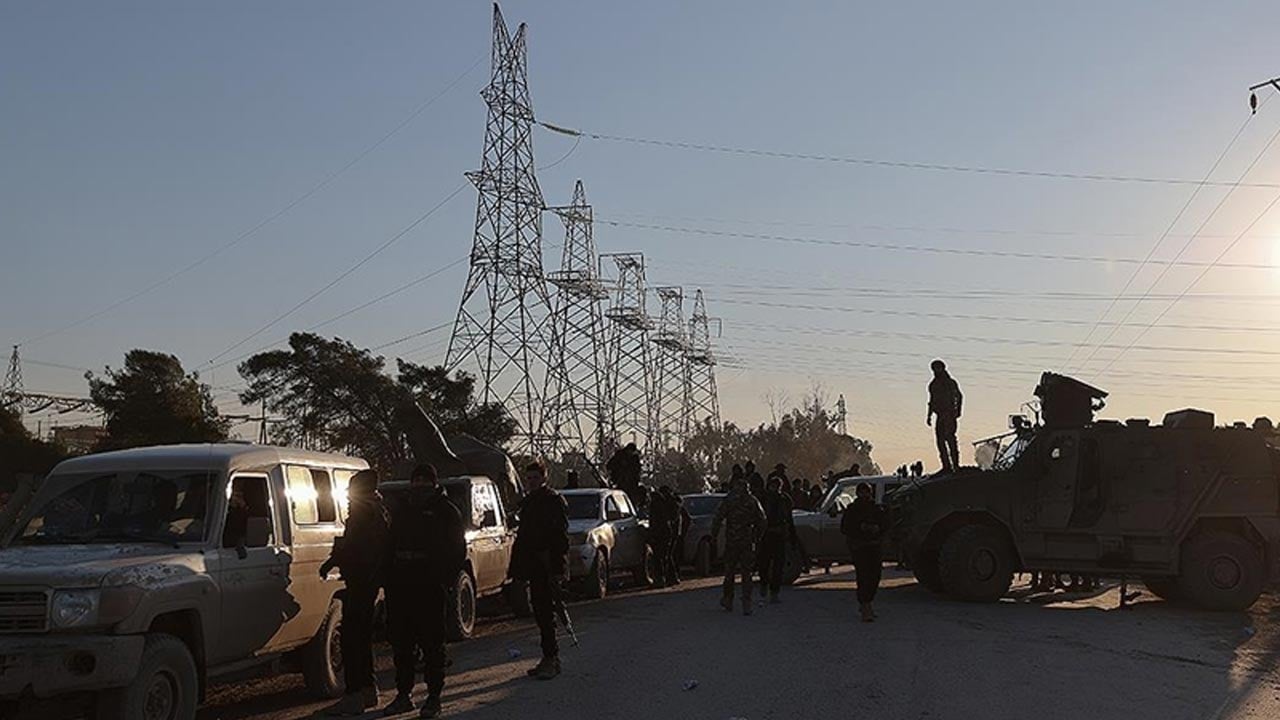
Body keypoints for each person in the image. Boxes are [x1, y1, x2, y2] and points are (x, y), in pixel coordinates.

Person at [382, 463, 466, 718]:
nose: (419, 485)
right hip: (401, 584)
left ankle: (433, 697)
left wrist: (444, 579)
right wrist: (388, 577)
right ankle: (403, 694)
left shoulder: (445, 510)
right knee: (402, 644)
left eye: (424, 480)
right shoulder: (403, 509)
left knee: (432, 644)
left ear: (433, 482)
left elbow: (457, 550)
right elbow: (389, 545)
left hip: (430, 585)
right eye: (416, 480)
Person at [319, 470, 390, 715]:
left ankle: (354, 695)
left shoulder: (363, 513)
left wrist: (334, 561)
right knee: (361, 639)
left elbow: (355, 548)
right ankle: (368, 690)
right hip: (366, 583)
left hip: (361, 583)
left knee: (352, 640)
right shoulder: (376, 511)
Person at [510, 461, 570, 680]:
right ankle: (548, 657)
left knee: (546, 613)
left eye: (535, 478)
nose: (532, 482)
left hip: (547, 564)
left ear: (544, 478)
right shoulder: (529, 502)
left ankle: (551, 658)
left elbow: (560, 536)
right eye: (529, 478)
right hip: (533, 564)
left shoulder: (552, 501)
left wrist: (557, 566)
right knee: (539, 611)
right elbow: (524, 537)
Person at [710, 475, 765, 615]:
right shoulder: (752, 501)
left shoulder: (729, 500)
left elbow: (718, 518)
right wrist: (757, 537)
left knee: (729, 572)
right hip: (747, 541)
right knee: (747, 574)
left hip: (732, 541)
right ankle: (747, 603)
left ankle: (728, 599)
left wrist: (714, 535)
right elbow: (762, 520)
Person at [841, 482, 887, 622]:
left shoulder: (876, 509)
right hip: (859, 547)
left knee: (875, 576)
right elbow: (845, 527)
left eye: (867, 492)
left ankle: (867, 602)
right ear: (858, 493)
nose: (865, 495)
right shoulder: (852, 510)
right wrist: (861, 527)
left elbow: (885, 525)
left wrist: (877, 528)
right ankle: (865, 605)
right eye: (862, 492)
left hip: (874, 546)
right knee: (863, 576)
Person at [758, 475, 797, 604]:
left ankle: (774, 592)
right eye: (773, 486)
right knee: (763, 565)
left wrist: (792, 537)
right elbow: (758, 518)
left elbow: (789, 519)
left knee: (778, 567)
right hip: (766, 535)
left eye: (777, 486)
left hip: (779, 536)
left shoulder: (785, 500)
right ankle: (764, 584)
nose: (775, 488)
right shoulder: (763, 499)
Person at [927, 359, 964, 473]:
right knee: (940, 441)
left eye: (938, 368)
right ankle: (946, 466)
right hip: (940, 415)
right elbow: (931, 401)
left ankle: (955, 466)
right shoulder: (933, 385)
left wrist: (957, 410)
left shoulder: (950, 383)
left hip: (949, 414)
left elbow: (959, 396)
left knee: (950, 439)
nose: (936, 370)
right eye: (934, 368)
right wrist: (929, 415)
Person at [648, 486, 680, 587]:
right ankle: (671, 578)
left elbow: (655, 520)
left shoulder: (656, 504)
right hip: (668, 532)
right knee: (666, 556)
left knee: (659, 557)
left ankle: (661, 579)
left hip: (660, 533)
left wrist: (653, 533)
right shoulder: (668, 503)